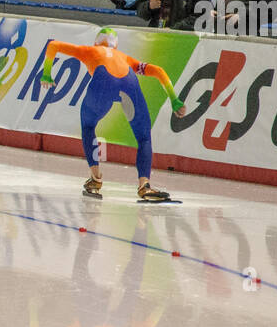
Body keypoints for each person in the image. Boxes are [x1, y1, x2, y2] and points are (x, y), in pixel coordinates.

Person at [40, 26, 186, 202]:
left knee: (88, 126)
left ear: (96, 42)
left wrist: (47, 73)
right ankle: (144, 185)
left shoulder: (90, 50)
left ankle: (95, 178)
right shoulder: (125, 57)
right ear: (115, 46)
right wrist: (174, 99)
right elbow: (158, 71)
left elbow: (54, 45)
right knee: (143, 138)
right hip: (129, 83)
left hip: (102, 83)